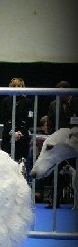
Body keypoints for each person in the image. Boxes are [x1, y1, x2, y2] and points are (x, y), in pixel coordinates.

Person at [45, 80, 78, 208]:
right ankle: (54, 201)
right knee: (56, 172)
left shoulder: (77, 102)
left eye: (62, 93)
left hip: (75, 145)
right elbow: (50, 122)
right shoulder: (53, 104)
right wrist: (55, 138)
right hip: (59, 145)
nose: (59, 96)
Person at [1, 77, 33, 166]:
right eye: (14, 86)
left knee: (21, 162)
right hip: (8, 134)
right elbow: (3, 118)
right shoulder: (6, 101)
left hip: (22, 135)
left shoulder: (28, 102)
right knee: (6, 162)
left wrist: (20, 132)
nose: (16, 88)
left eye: (19, 86)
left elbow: (29, 118)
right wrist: (12, 132)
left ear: (23, 87)